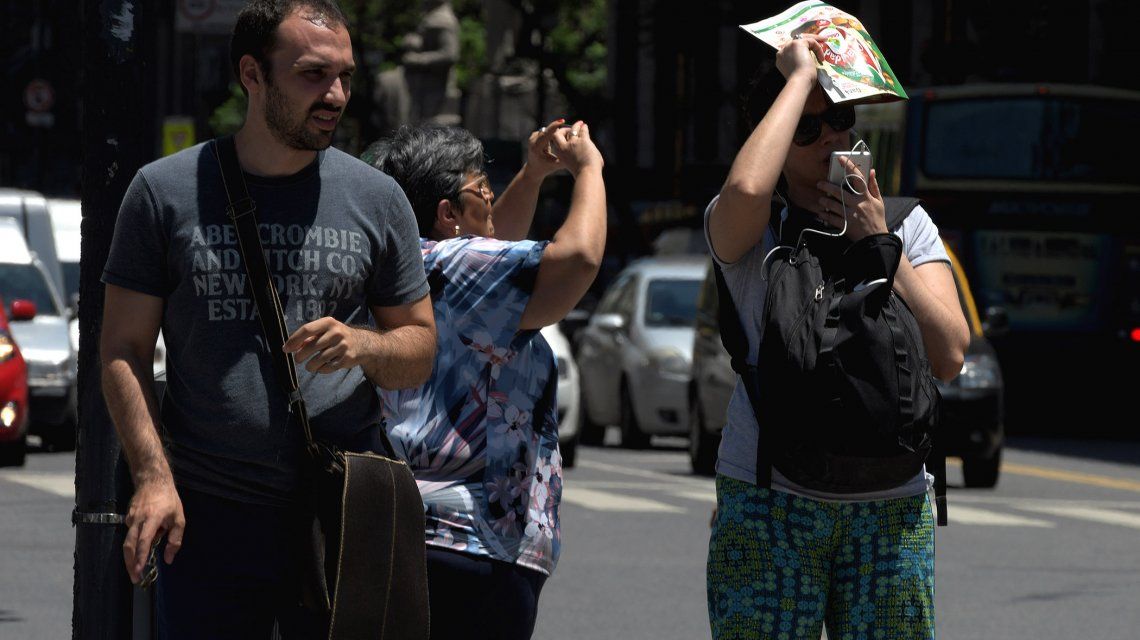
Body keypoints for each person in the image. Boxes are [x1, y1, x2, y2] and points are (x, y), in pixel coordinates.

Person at [99, 1, 436, 637]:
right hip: (208, 512)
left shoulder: (377, 198)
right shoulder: (163, 191)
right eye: (313, 74)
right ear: (253, 74)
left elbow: (418, 348)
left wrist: (364, 344)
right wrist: (152, 478)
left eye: (344, 76)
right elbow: (123, 348)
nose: (335, 95)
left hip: (337, 507)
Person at [703, 35, 970, 639]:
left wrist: (877, 240)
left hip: (892, 502)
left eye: (840, 119)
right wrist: (798, 77)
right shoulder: (752, 227)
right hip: (769, 496)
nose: (829, 137)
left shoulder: (905, 221)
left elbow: (950, 354)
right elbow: (745, 190)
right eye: (806, 127)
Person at [363, 119, 605, 640]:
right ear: (447, 212)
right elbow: (578, 259)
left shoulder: (405, 267)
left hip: (402, 529)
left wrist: (535, 174)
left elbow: (497, 242)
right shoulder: (460, 262)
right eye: (482, 191)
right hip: (474, 542)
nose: (492, 202)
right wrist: (589, 169)